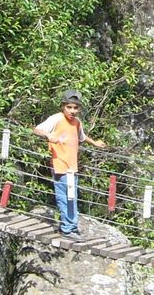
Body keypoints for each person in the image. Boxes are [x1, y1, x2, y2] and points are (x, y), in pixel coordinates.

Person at [33, 89, 106, 238]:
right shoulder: (57, 118)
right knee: (64, 196)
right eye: (69, 107)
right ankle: (67, 228)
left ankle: (71, 227)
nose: (72, 111)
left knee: (72, 196)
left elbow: (82, 137)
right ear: (63, 106)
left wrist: (95, 143)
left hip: (72, 166)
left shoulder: (77, 122)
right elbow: (37, 129)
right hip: (60, 164)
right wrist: (48, 135)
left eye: (75, 107)